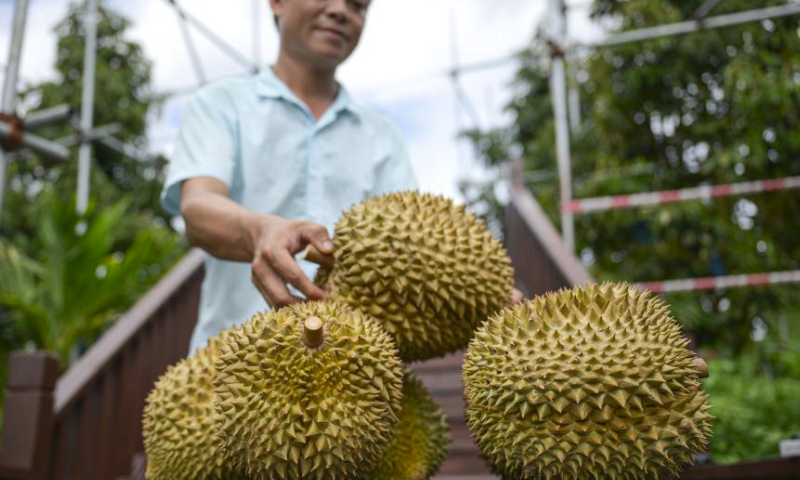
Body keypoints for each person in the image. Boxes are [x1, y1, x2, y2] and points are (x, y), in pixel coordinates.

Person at [161, 0, 418, 354]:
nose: (341, 11)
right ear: (277, 3)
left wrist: (474, 292)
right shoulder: (221, 104)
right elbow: (198, 208)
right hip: (229, 370)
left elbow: (415, 245)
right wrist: (258, 231)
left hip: (356, 372)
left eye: (358, 5)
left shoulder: (383, 137)